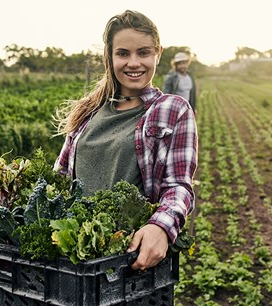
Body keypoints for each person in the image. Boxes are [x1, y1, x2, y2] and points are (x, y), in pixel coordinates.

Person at [53, 10, 197, 271]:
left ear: (158, 53)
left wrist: (160, 226)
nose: (134, 63)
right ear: (109, 56)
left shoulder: (173, 110)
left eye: (143, 52)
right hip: (73, 257)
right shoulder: (89, 110)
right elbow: (60, 176)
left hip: (129, 259)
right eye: (123, 53)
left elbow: (179, 186)